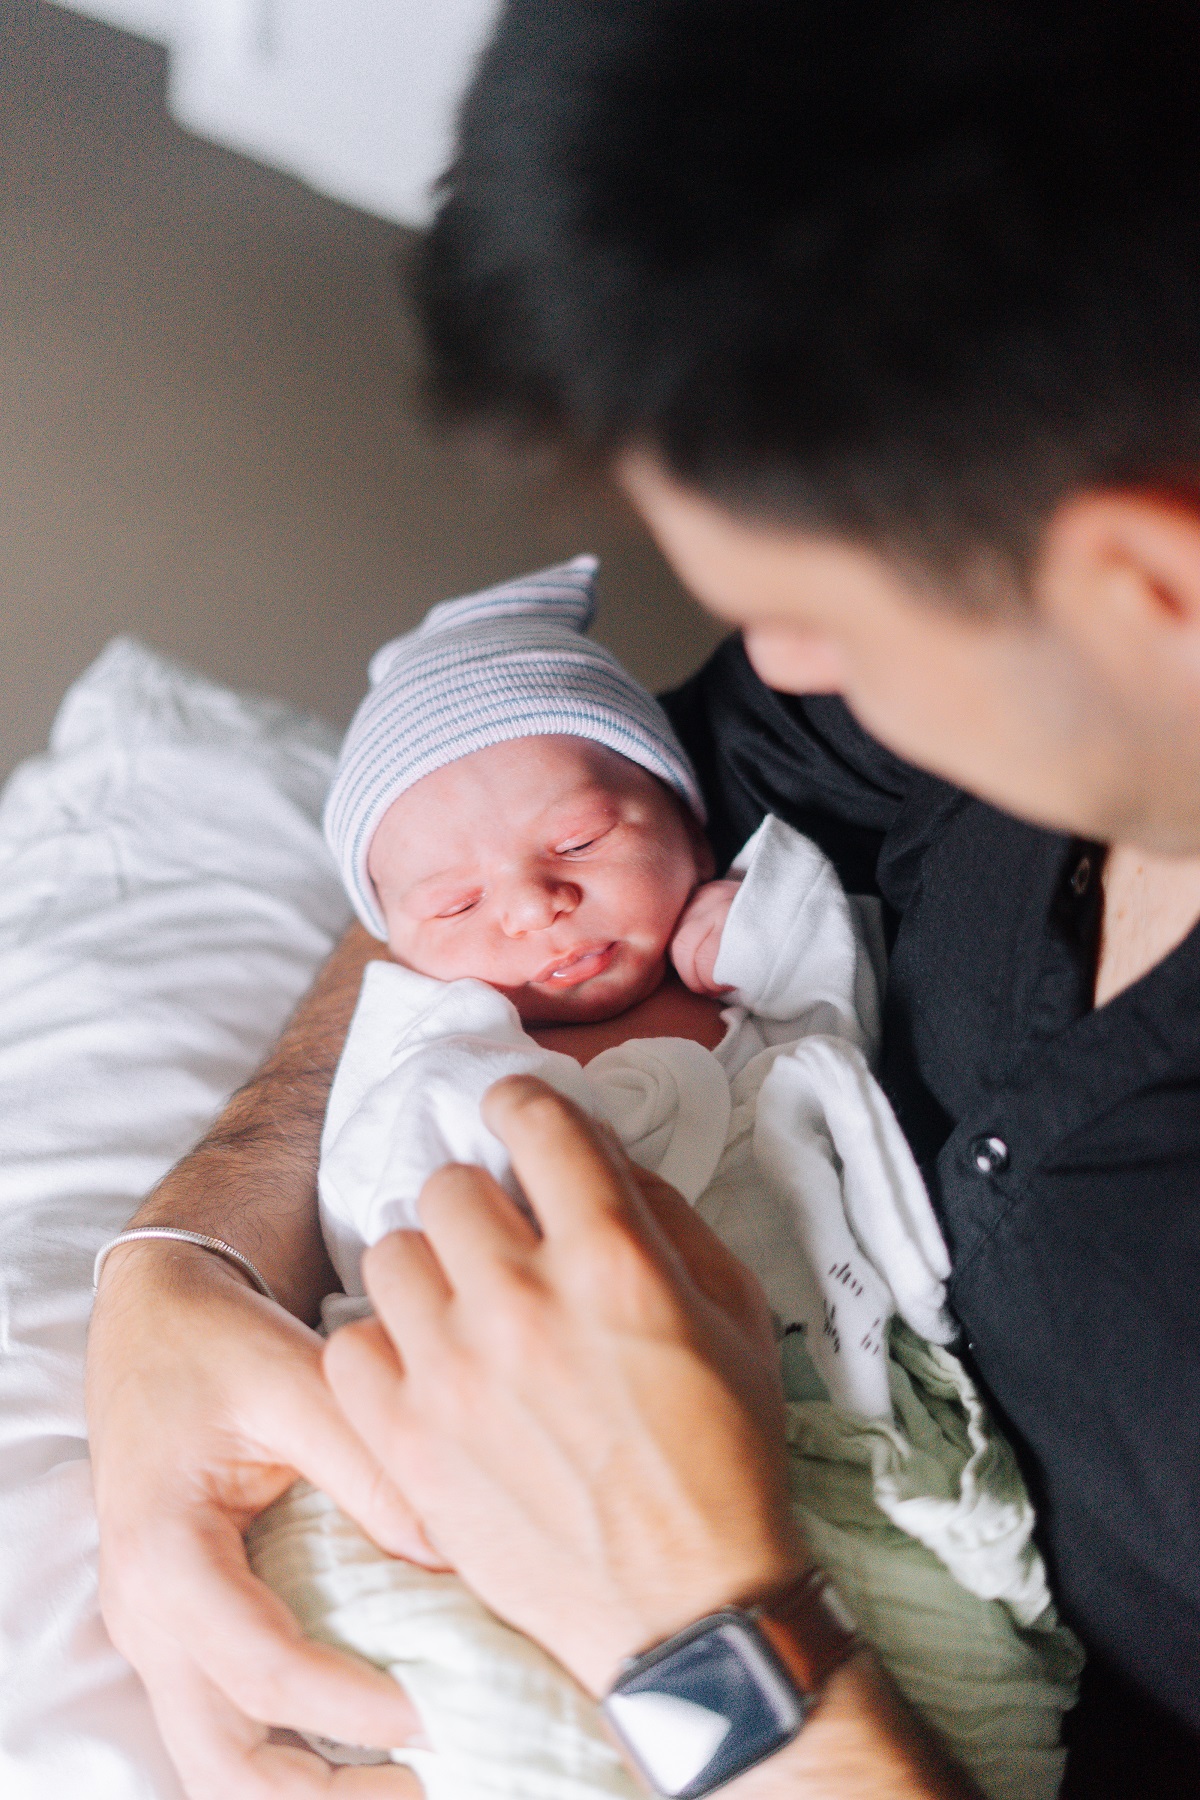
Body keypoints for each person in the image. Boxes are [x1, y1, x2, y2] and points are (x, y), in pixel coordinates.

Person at [85, 2, 1200, 1795]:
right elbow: (549, 811)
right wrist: (191, 1250)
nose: (779, 665)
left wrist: (699, 1618)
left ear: (1150, 585)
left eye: (825, 610)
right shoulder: (974, 669)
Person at [246, 554, 1079, 1799]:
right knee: (364, 1615)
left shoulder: (764, 970)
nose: (533, 905)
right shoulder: (446, 1047)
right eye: (455, 900)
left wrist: (753, 923)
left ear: (691, 814)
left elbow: (831, 971)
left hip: (837, 1426)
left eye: (579, 838)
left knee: (980, 1705)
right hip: (494, 1425)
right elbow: (377, 1190)